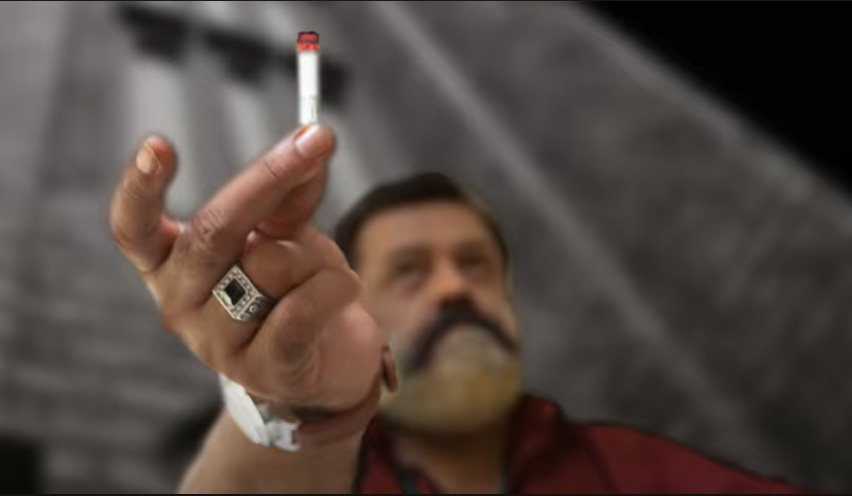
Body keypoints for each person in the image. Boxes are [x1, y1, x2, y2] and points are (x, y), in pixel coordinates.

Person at [109, 124, 813, 493]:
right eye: (409, 271)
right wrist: (299, 402)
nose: (455, 289)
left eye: (476, 265)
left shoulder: (631, 471)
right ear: (353, 306)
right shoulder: (326, 471)